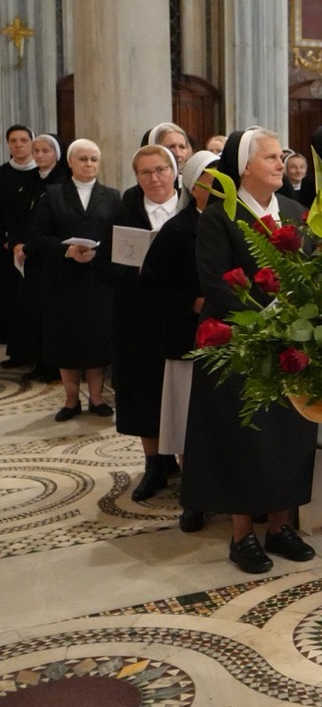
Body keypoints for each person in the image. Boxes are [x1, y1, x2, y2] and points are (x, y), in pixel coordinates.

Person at [181, 128, 317, 574]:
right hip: (237, 342)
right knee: (242, 437)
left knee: (288, 435)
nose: (281, 164)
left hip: (291, 342)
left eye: (282, 157)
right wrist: (271, 314)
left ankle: (280, 526)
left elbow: (311, 271)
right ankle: (242, 535)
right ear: (243, 167)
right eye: (271, 157)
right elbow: (216, 283)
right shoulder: (219, 216)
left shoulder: (294, 211)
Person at [144, 149, 219, 533]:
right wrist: (192, 302)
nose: (219, 185)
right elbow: (153, 285)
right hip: (187, 338)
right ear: (193, 185)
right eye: (211, 178)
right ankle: (194, 499)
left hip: (229, 338)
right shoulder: (176, 230)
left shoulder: (233, 222)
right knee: (189, 424)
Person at [108, 144, 183, 501]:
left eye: (160, 170)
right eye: (145, 172)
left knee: (181, 393)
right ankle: (154, 465)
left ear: (174, 171)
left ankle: (188, 465)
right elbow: (105, 268)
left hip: (181, 316)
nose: (154, 178)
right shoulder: (124, 212)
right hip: (137, 318)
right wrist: (135, 272)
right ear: (136, 177)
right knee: (144, 390)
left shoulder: (191, 208)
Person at [27, 139, 121, 419]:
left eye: (94, 159)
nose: (89, 164)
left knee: (97, 340)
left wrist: (98, 252)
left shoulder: (112, 196)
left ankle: (96, 398)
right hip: (63, 281)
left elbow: (118, 234)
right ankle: (70, 400)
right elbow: (38, 237)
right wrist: (68, 251)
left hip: (98, 281)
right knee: (66, 340)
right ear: (70, 162)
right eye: (83, 159)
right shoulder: (53, 194)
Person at [10, 134, 68, 381]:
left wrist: (31, 245)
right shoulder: (31, 180)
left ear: (57, 154)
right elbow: (18, 216)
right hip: (29, 255)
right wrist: (16, 243)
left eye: (46, 151)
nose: (40, 155)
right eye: (37, 151)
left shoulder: (63, 182)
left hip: (49, 256)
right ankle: (35, 359)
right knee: (32, 311)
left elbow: (53, 224)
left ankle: (52, 365)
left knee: (50, 314)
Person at [0, 124, 38, 360]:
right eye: (13, 141)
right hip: (5, 248)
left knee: (30, 302)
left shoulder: (40, 174)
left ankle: (31, 352)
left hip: (33, 249)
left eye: (23, 140)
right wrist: (6, 241)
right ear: (7, 145)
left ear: (32, 142)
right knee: (9, 300)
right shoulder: (2, 174)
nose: (18, 144)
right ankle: (14, 353)